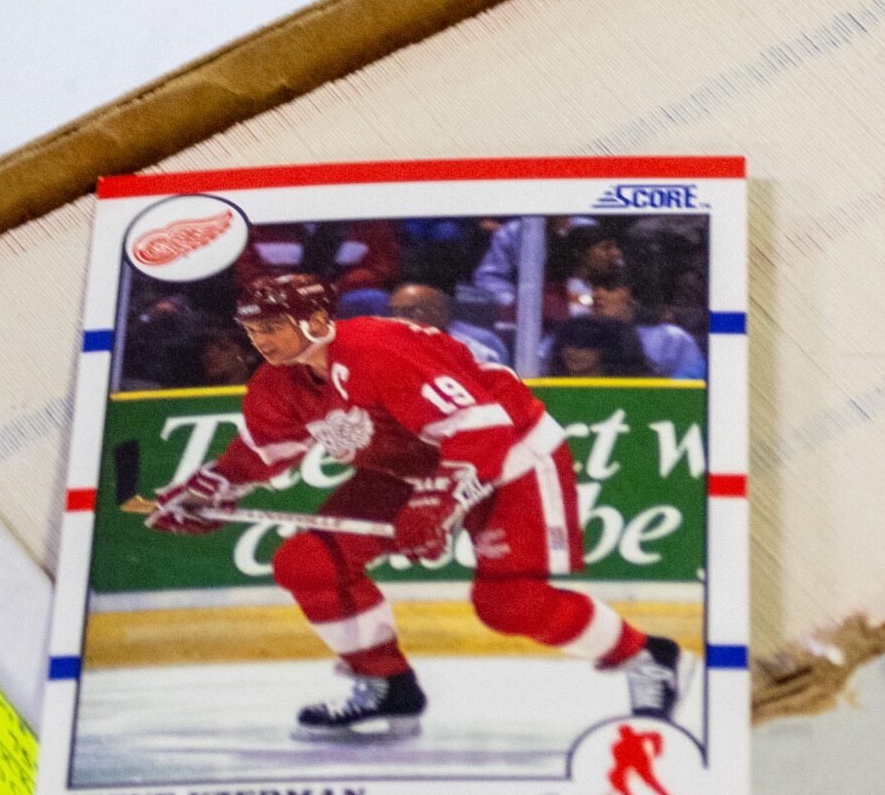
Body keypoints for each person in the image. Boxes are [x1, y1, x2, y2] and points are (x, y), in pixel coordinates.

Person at [145, 271, 682, 738]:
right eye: (253, 330)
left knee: (509, 604)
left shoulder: (380, 351)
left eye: (272, 327)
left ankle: (645, 655)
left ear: (316, 320)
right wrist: (205, 493)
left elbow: (481, 429)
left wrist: (437, 504)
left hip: (510, 454)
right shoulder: (277, 385)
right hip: (412, 470)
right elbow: (260, 454)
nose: (261, 340)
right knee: (308, 563)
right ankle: (386, 684)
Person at [588, 279, 704, 378]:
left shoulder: (672, 338)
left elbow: (692, 389)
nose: (598, 294)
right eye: (594, 288)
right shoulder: (583, 337)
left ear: (629, 295)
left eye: (609, 288)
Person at [386, 278, 510, 370]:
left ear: (442, 314)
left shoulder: (478, 355)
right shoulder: (384, 350)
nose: (398, 318)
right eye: (393, 311)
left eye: (412, 311)